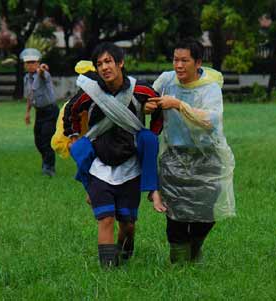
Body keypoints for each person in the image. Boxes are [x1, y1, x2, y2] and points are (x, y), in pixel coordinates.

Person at [62, 42, 165, 268]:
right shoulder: (90, 94)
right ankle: (109, 271)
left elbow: (159, 110)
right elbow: (70, 110)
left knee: (127, 224)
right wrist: (72, 136)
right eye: (99, 64)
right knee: (106, 219)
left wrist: (151, 134)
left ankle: (125, 256)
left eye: (108, 62)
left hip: (130, 166)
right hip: (100, 166)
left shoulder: (140, 91)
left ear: (120, 63)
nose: (104, 67)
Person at [146, 38, 236, 263]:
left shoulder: (210, 89)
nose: (178, 65)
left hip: (207, 158)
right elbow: (145, 97)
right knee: (174, 214)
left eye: (184, 60)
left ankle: (195, 248)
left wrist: (178, 105)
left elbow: (210, 121)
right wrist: (146, 105)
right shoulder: (166, 80)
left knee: (206, 214)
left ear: (197, 62)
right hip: (174, 157)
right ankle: (178, 263)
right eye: (175, 59)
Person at [21, 48, 59, 177]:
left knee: (46, 139)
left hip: (50, 111)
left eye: (33, 62)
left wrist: (42, 69)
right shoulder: (27, 78)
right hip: (39, 112)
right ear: (25, 65)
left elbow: (42, 72)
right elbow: (30, 96)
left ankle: (49, 168)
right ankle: (46, 162)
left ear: (37, 63)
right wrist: (27, 113)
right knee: (38, 140)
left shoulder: (43, 74)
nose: (30, 65)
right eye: (28, 63)